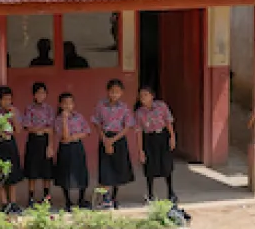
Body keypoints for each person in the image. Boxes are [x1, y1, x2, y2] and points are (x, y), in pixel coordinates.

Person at [92, 80, 137, 209]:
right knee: (106, 168)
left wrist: (113, 140)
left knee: (118, 168)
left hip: (119, 139)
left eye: (117, 92)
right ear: (108, 92)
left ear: (121, 93)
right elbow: (96, 123)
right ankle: (106, 198)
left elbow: (127, 126)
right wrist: (105, 139)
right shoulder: (101, 105)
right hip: (105, 137)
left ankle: (114, 197)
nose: (114, 94)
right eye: (112, 91)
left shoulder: (124, 108)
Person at [135, 83, 178, 204]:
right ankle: (150, 194)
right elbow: (138, 132)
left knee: (166, 164)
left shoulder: (161, 106)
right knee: (150, 166)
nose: (143, 97)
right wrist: (140, 150)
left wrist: (172, 136)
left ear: (152, 96)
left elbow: (168, 122)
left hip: (162, 136)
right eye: (141, 95)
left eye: (146, 95)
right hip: (149, 139)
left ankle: (171, 192)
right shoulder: (139, 113)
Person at [16, 82, 56, 206]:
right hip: (33, 141)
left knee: (47, 172)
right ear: (34, 95)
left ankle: (46, 197)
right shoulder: (29, 108)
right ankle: (31, 198)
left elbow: (51, 129)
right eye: (38, 93)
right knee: (32, 171)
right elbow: (27, 126)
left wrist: (50, 146)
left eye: (43, 93)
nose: (41, 95)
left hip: (45, 141)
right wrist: (41, 128)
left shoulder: (49, 109)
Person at [54, 91, 92, 210]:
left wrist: (74, 137)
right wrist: (65, 119)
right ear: (60, 105)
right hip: (65, 148)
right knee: (65, 173)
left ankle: (81, 199)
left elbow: (87, 131)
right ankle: (68, 201)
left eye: (70, 103)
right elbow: (64, 136)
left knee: (81, 172)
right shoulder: (58, 119)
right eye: (65, 104)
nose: (68, 106)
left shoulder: (79, 116)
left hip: (77, 146)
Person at [0, 84, 21, 210]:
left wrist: (13, 117)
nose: (8, 102)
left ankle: (13, 202)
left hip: (10, 143)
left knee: (13, 173)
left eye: (9, 99)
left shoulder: (14, 111)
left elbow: (18, 130)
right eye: (5, 99)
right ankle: (4, 203)